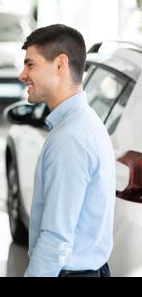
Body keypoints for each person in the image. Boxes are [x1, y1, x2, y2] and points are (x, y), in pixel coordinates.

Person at [19, 24, 115, 277]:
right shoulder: (85, 123)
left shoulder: (71, 138)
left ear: (60, 64)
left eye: (30, 65)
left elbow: (55, 237)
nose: (22, 74)